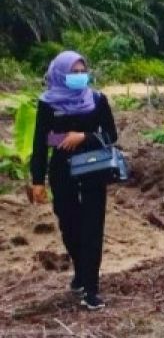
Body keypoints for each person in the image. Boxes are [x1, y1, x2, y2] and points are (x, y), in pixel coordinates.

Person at [27, 51, 119, 311]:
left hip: (93, 169)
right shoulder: (47, 104)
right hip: (62, 171)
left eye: (83, 72)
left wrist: (83, 137)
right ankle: (80, 269)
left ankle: (91, 289)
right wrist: (37, 181)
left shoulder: (98, 100)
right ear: (60, 74)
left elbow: (110, 135)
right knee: (69, 225)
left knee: (92, 228)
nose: (80, 77)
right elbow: (40, 143)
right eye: (73, 72)